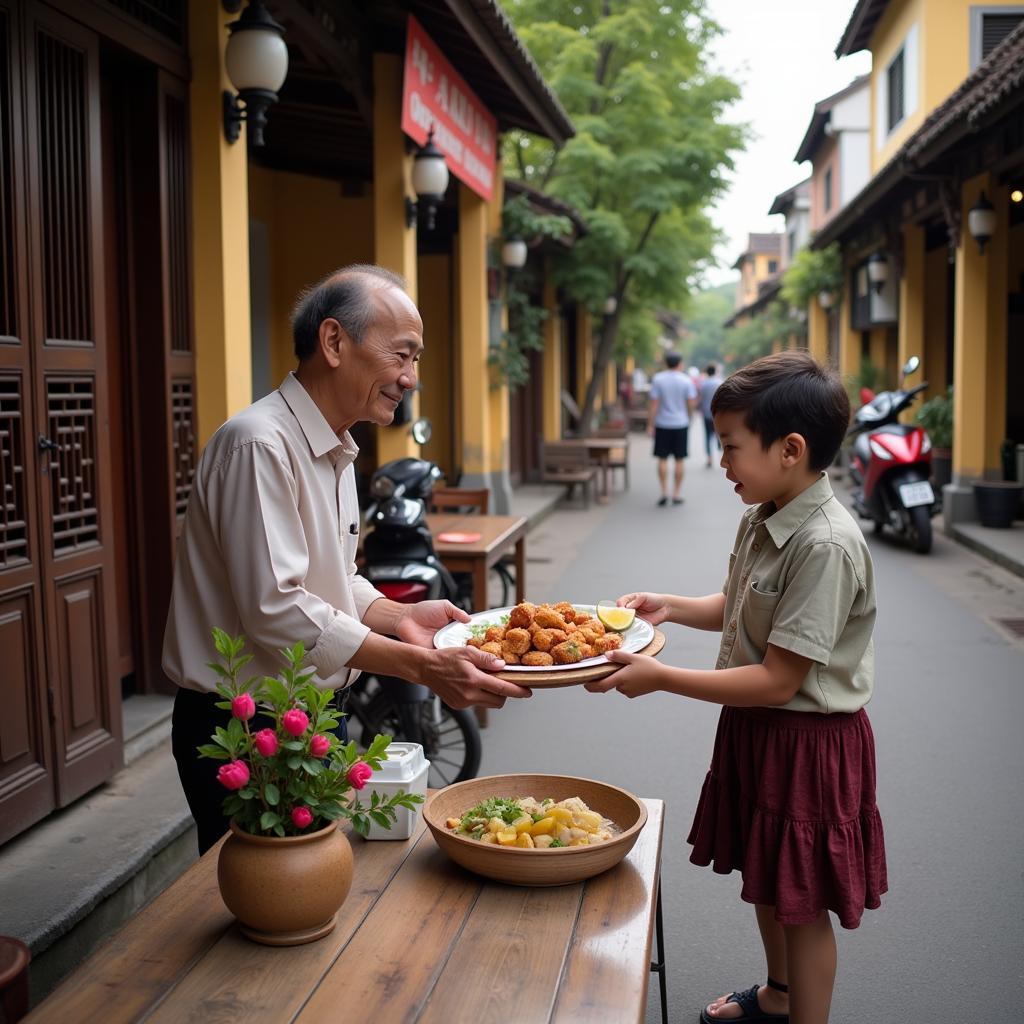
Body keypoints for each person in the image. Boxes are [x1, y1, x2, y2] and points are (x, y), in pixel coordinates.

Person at [164, 264, 532, 853]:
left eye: (416, 360)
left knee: (315, 890)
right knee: (268, 908)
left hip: (309, 713)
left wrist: (398, 618)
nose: (410, 378)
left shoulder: (337, 447)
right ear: (334, 342)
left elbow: (336, 580)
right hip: (245, 725)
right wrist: (419, 666)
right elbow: (277, 608)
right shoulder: (260, 443)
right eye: (402, 356)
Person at [587, 350, 886, 1024]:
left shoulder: (826, 544)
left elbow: (782, 679)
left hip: (808, 740)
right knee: (767, 877)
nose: (720, 463)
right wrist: (667, 605)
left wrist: (661, 677)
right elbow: (737, 603)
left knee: (800, 901)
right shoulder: (764, 512)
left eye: (729, 448)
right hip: (759, 727)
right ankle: (779, 997)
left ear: (790, 449)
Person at [647, 351, 697, 506]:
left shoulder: (658, 379)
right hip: (680, 424)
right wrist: (689, 418)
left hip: (662, 424)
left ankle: (664, 492)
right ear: (680, 363)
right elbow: (690, 403)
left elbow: (654, 404)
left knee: (662, 459)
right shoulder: (686, 380)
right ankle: (676, 493)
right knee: (679, 459)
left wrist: (650, 424)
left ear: (666, 363)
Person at [699, 362, 724, 467]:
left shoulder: (703, 383)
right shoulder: (720, 382)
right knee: (720, 435)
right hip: (718, 414)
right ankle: (722, 456)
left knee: (707, 436)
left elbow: (701, 398)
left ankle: (709, 458)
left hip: (706, 413)